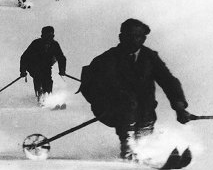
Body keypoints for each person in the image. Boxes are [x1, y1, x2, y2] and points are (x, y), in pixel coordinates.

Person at [80, 18, 191, 160]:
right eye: (129, 36)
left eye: (138, 36)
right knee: (129, 101)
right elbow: (91, 86)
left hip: (144, 110)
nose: (133, 40)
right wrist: (105, 101)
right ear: (121, 37)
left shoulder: (150, 57)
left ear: (144, 39)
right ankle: (129, 147)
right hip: (112, 110)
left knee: (146, 105)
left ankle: (144, 147)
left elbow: (168, 81)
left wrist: (179, 107)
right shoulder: (108, 59)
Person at [20, 26, 66, 106]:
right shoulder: (36, 43)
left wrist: (62, 70)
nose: (50, 38)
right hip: (33, 65)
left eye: (51, 36)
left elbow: (61, 58)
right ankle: (40, 98)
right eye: (48, 36)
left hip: (46, 66)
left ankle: (48, 98)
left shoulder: (54, 45)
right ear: (43, 35)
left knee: (48, 80)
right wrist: (23, 71)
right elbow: (24, 57)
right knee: (38, 77)